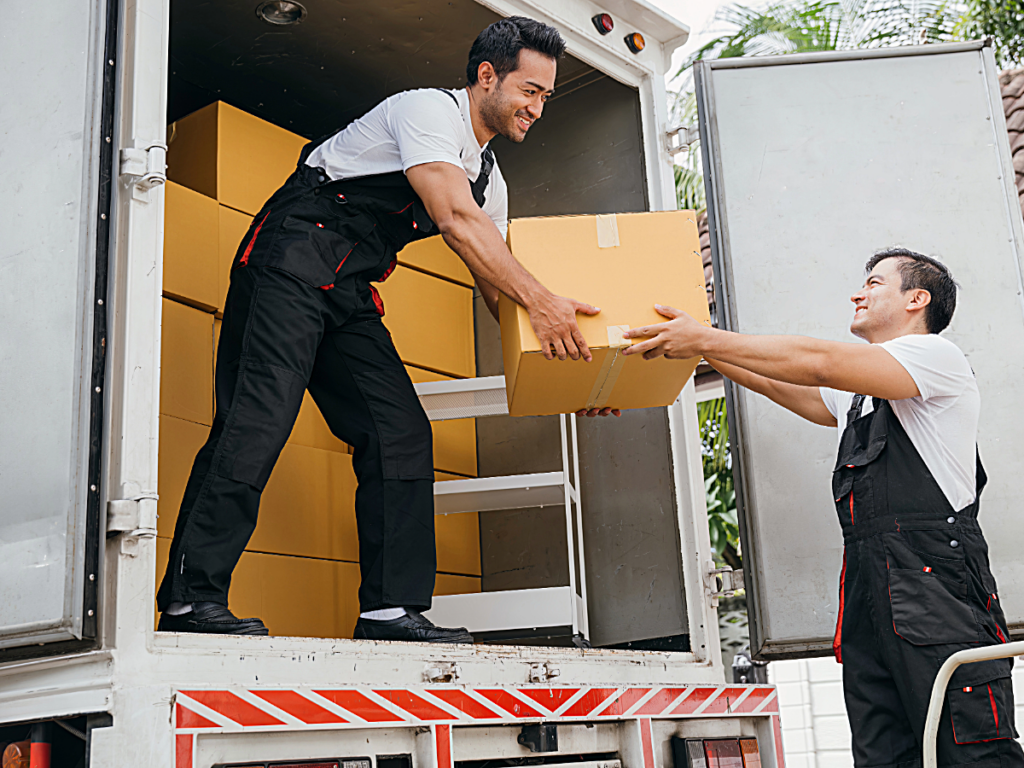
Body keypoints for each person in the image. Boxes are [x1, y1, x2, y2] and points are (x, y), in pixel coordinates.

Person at [157, 16, 615, 643]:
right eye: (529, 91)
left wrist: (569, 378)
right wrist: (544, 301)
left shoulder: (490, 181)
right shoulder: (426, 112)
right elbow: (455, 219)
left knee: (398, 431)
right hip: (288, 262)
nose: (537, 108)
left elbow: (495, 285)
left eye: (545, 96)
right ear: (487, 77)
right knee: (256, 421)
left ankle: (389, 611)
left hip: (346, 290)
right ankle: (190, 601)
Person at [625, 249, 1023, 765]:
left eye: (874, 283)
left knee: (971, 751)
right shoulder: (857, 396)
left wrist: (704, 337)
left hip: (937, 590)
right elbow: (783, 383)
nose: (859, 293)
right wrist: (703, 349)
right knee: (884, 752)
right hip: (870, 591)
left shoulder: (936, 357)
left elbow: (820, 361)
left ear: (916, 300)